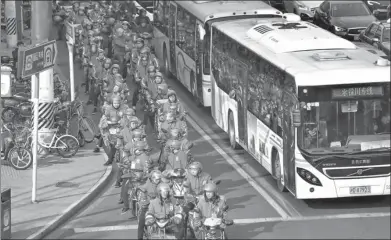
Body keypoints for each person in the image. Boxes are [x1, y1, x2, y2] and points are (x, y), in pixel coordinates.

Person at [120, 140, 152, 217]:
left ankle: (142, 210)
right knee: (127, 191)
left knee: (140, 195)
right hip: (133, 177)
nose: (134, 149)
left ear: (139, 149)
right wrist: (125, 164)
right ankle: (131, 209)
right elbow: (129, 162)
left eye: (135, 148)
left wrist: (143, 176)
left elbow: (147, 170)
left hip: (141, 179)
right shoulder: (135, 156)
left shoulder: (144, 157)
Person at [99, 95, 128, 166]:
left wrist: (122, 121)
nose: (116, 105)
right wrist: (108, 123)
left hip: (121, 128)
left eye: (118, 103)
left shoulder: (124, 108)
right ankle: (110, 159)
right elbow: (104, 118)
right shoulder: (108, 109)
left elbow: (127, 118)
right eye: (115, 103)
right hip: (111, 128)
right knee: (112, 145)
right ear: (112, 103)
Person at [137, 170, 163, 239]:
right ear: (153, 178)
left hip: (160, 205)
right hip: (148, 206)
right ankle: (139, 238)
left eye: (159, 179)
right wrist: (145, 202)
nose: (158, 180)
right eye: (157, 179)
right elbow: (142, 193)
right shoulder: (147, 185)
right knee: (141, 221)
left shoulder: (162, 184)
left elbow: (168, 191)